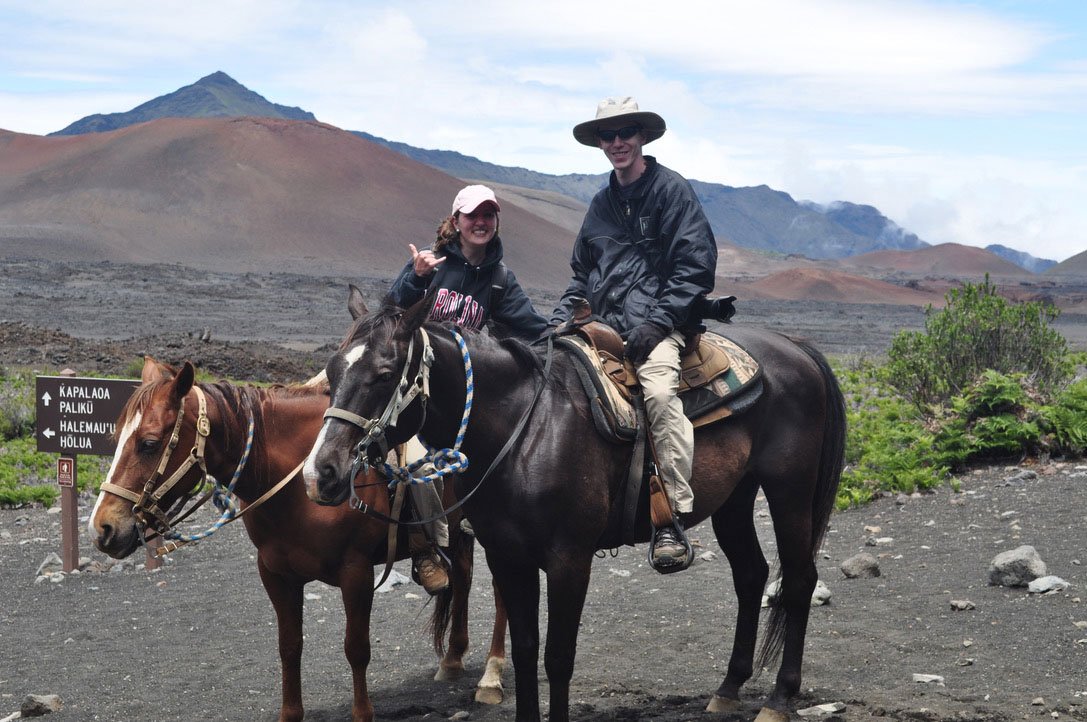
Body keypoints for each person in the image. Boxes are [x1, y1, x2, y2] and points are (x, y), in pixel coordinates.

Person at [550, 97, 718, 567]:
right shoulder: (601, 204)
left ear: (642, 136)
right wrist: (560, 318)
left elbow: (695, 266)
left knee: (660, 395)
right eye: (608, 135)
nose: (617, 142)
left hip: (660, 328)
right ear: (600, 144)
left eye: (625, 132)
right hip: (603, 326)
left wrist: (659, 322)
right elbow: (581, 273)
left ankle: (669, 519)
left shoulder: (672, 192)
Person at [389, 183, 548, 593]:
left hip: (466, 395)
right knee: (419, 462)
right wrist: (416, 279)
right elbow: (391, 312)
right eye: (472, 216)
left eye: (488, 216)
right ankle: (428, 551)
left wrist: (566, 338)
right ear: (456, 221)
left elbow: (531, 327)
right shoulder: (430, 264)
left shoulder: (498, 279)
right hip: (420, 387)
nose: (480, 223)